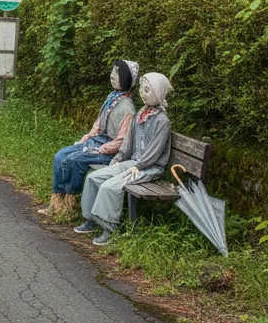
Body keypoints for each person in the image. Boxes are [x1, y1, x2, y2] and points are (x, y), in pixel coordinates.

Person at [75, 72, 173, 246]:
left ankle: (108, 227)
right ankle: (90, 218)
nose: (143, 93)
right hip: (132, 163)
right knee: (93, 177)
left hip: (150, 168)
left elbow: (155, 151)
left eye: (147, 90)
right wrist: (119, 158)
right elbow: (128, 142)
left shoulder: (162, 121)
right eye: (142, 89)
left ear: (158, 92)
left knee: (109, 186)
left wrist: (141, 165)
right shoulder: (141, 113)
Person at [39, 60, 137, 217]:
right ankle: (57, 204)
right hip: (97, 140)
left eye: (117, 73)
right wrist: (87, 138)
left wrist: (102, 148)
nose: (112, 76)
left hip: (109, 149)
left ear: (126, 78)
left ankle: (69, 206)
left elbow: (122, 140)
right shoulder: (112, 97)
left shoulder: (127, 107)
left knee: (73, 160)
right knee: (60, 155)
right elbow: (98, 124)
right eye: (112, 71)